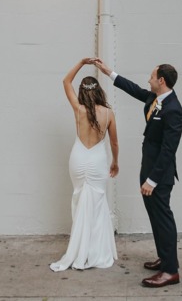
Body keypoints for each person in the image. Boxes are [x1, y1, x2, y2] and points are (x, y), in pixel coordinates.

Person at [93, 58, 182, 288]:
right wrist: (109, 72)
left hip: (159, 176)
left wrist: (152, 180)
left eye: (152, 76)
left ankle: (170, 271)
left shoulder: (174, 110)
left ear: (161, 80)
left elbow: (168, 150)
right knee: (155, 217)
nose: (148, 79)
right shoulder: (156, 98)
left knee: (163, 219)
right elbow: (134, 90)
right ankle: (165, 258)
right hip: (149, 168)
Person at [50, 58, 119, 272]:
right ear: (99, 92)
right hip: (98, 161)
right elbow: (115, 142)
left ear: (83, 91)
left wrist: (81, 63)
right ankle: (95, 251)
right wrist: (115, 162)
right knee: (98, 204)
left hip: (79, 159)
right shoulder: (108, 113)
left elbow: (65, 81)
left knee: (79, 200)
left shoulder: (79, 109)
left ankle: (80, 248)